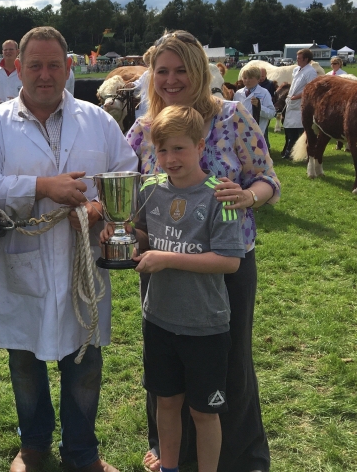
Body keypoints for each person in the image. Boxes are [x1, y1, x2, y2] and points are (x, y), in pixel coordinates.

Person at [0, 26, 136, 472]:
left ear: (69, 67)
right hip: (22, 257)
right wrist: (44, 187)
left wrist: (102, 207)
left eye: (54, 65)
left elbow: (125, 169)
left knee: (85, 361)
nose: (45, 75)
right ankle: (34, 445)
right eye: (35, 65)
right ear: (18, 68)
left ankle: (83, 453)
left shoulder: (97, 120)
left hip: (81, 257)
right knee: (25, 360)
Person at [126, 30, 280, 472]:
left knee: (229, 362)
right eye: (162, 71)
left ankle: (238, 457)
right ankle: (168, 452)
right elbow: (122, 181)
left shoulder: (232, 117)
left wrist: (249, 197)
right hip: (161, 265)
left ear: (200, 72)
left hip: (225, 265)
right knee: (166, 365)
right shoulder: (144, 127)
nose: (171, 80)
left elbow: (268, 178)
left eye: (181, 71)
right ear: (152, 75)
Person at [105, 104, 244, 472]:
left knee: (203, 411)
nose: (169, 158)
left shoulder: (223, 195)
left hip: (205, 325)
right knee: (165, 402)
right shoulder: (149, 188)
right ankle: (169, 467)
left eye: (179, 148)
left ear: (201, 147)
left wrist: (165, 258)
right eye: (161, 150)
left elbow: (230, 260)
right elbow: (144, 235)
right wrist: (121, 233)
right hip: (160, 319)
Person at [282, 49, 318, 160]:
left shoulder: (310, 72)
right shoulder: (297, 69)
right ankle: (289, 151)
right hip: (291, 103)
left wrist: (296, 97)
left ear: (306, 59)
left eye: (298, 58)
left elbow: (311, 89)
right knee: (289, 129)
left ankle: (299, 153)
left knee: (300, 130)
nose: (296, 60)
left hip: (300, 104)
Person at [234, 65, 275, 145]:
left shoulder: (264, 93)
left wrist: (259, 107)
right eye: (245, 78)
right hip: (240, 133)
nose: (247, 81)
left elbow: (271, 113)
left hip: (257, 134)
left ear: (258, 79)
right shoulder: (238, 93)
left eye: (250, 78)